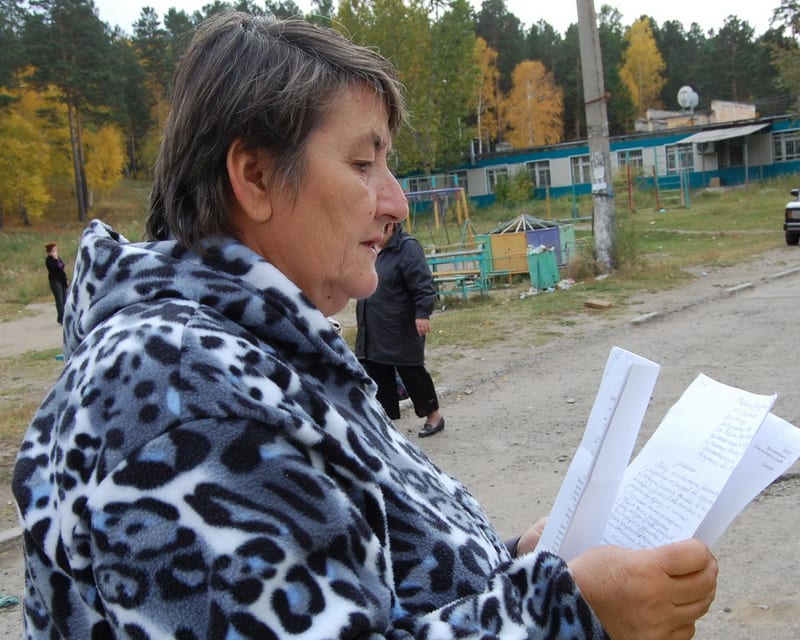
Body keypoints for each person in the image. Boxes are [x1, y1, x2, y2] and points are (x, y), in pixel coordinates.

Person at [12, 12, 717, 640]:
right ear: (255, 177)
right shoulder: (179, 394)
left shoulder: (255, 354)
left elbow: (354, 582)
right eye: (361, 163)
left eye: (387, 164)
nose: (396, 202)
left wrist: (513, 569)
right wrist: (570, 614)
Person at [355, 221, 445, 437]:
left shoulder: (407, 248)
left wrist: (422, 314)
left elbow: (423, 284)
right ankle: (386, 424)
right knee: (376, 373)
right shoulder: (369, 247)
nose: (374, 233)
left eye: (379, 228)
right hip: (373, 326)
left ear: (391, 226)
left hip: (400, 326)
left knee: (412, 372)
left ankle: (434, 416)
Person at [44, 242, 68, 324]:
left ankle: (65, 316)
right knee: (59, 300)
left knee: (65, 299)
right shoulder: (49, 260)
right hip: (55, 281)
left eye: (56, 250)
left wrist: (66, 279)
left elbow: (62, 266)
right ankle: (61, 318)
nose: (55, 252)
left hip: (62, 280)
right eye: (54, 250)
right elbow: (55, 268)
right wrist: (55, 259)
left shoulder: (58, 258)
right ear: (50, 252)